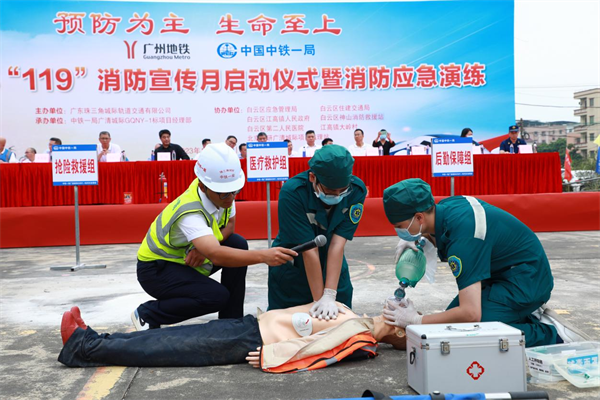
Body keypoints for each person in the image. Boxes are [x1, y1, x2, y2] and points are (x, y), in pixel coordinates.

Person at [381, 178, 591, 347]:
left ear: (419, 218)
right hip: (501, 273)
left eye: (400, 226)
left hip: (527, 281)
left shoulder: (464, 237)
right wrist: (423, 239)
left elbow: (470, 313)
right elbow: (443, 235)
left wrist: (416, 320)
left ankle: (552, 334)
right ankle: (518, 315)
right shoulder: (444, 209)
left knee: (465, 332)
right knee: (446, 324)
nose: (398, 231)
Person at [133, 143, 296, 330]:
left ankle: (231, 322)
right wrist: (264, 256)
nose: (231, 198)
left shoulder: (222, 192)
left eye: (235, 191)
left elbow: (230, 226)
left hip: (186, 259)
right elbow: (217, 255)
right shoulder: (190, 212)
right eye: (225, 194)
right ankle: (148, 313)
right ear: (203, 186)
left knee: (237, 243)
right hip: (157, 270)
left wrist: (203, 249)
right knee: (216, 296)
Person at [58, 303, 405, 368]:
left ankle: (84, 348)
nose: (395, 309)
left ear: (400, 333)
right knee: (172, 336)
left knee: (166, 346)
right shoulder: (358, 318)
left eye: (401, 319)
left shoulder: (363, 338)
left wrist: (273, 357)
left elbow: (319, 350)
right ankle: (97, 338)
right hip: (249, 325)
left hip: (252, 342)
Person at [268, 145, 367, 320]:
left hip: (333, 268)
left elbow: (337, 243)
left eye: (342, 190)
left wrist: (329, 295)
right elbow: (309, 249)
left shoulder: (356, 190)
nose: (337, 195)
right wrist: (318, 300)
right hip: (295, 268)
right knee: (291, 326)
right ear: (313, 177)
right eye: (331, 190)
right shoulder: (293, 193)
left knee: (341, 325)